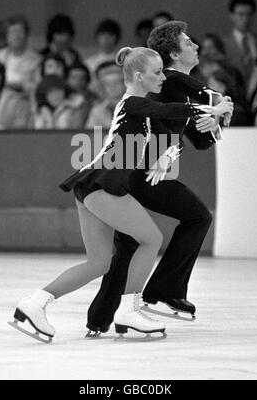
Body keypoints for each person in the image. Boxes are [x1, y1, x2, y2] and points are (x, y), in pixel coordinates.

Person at [9, 45, 232, 342]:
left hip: (91, 184)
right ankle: (129, 312)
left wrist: (185, 139)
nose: (163, 78)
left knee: (99, 262)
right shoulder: (132, 103)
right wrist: (210, 108)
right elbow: (165, 110)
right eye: (156, 73)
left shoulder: (142, 107)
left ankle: (33, 305)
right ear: (139, 76)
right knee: (151, 239)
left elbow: (170, 123)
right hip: (104, 183)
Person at [86, 21, 233, 336]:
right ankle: (163, 291)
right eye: (188, 42)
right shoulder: (172, 80)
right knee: (196, 217)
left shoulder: (177, 86)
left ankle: (100, 318)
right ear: (173, 53)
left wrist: (216, 122)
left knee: (127, 245)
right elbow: (183, 114)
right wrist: (215, 107)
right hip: (145, 171)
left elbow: (202, 140)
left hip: (142, 172)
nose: (195, 46)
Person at [0, 15, 41, 95]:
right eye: (12, 32)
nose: (16, 36)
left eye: (20, 32)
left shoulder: (37, 59)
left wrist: (21, 86)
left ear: (26, 35)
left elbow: (40, 86)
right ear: (6, 36)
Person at [223, 0, 257, 86]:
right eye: (240, 14)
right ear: (231, 15)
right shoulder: (223, 43)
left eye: (249, 14)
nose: (245, 19)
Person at [85, 61, 126, 129]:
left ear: (125, 85)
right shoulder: (97, 110)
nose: (112, 87)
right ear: (103, 87)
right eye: (107, 84)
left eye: (116, 82)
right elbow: (90, 133)